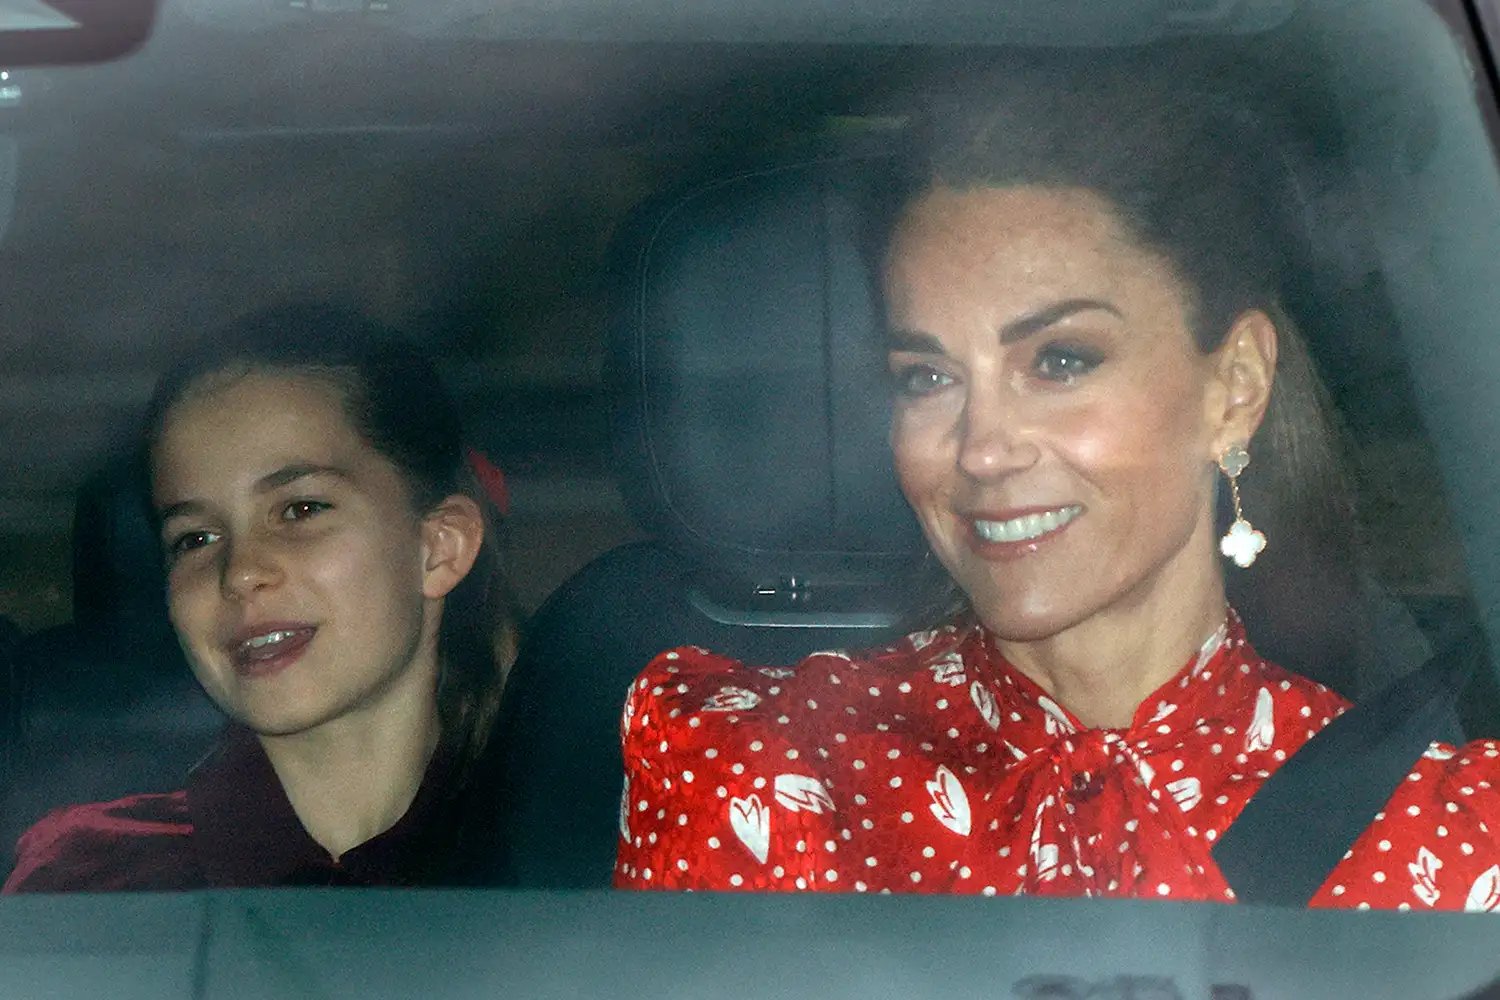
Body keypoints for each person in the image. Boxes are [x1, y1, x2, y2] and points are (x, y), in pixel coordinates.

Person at [613, 64, 1500, 909]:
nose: (982, 450)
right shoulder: (769, 775)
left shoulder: (1442, 835)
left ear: (1233, 389)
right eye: (927, 377)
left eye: (1060, 361)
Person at [4, 304, 518, 891]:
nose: (241, 573)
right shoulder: (91, 877)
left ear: (439, 547)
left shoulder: (570, 850)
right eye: (195, 539)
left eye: (301, 509)